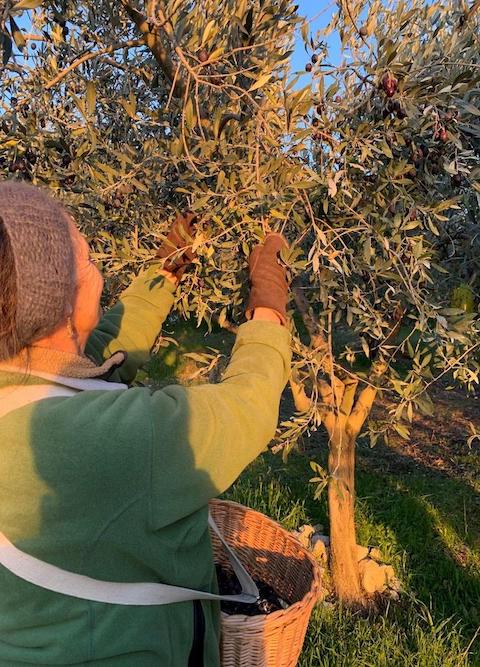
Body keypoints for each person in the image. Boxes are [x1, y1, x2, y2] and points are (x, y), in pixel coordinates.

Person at [0, 181, 291, 666]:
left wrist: (164, 275)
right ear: (61, 299)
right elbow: (247, 406)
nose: (97, 271)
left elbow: (101, 350)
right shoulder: (112, 440)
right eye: (88, 259)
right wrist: (269, 309)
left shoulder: (17, 382)